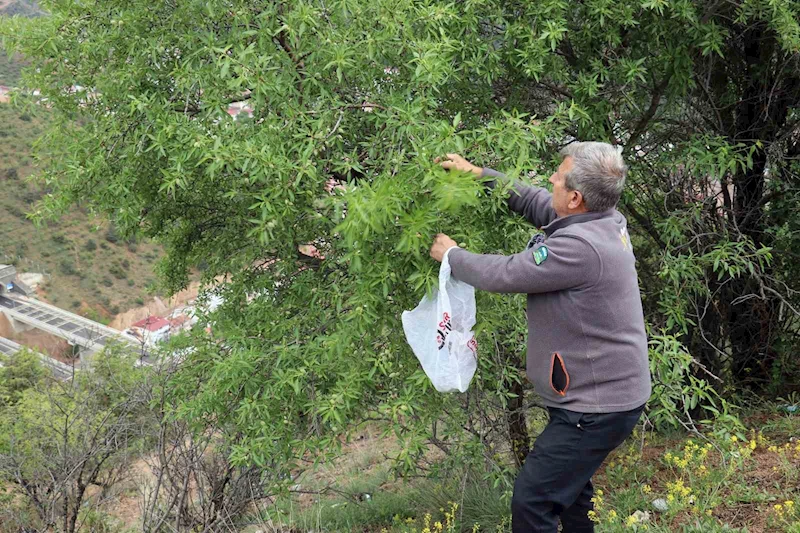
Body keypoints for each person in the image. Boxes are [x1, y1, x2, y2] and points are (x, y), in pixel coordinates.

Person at [430, 142, 652, 533]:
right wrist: (481, 175)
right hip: (596, 397)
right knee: (573, 497)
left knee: (532, 502)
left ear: (575, 197)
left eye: (559, 176)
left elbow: (507, 273)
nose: (551, 178)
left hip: (595, 408)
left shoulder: (580, 247)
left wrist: (453, 256)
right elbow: (537, 202)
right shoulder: (600, 220)